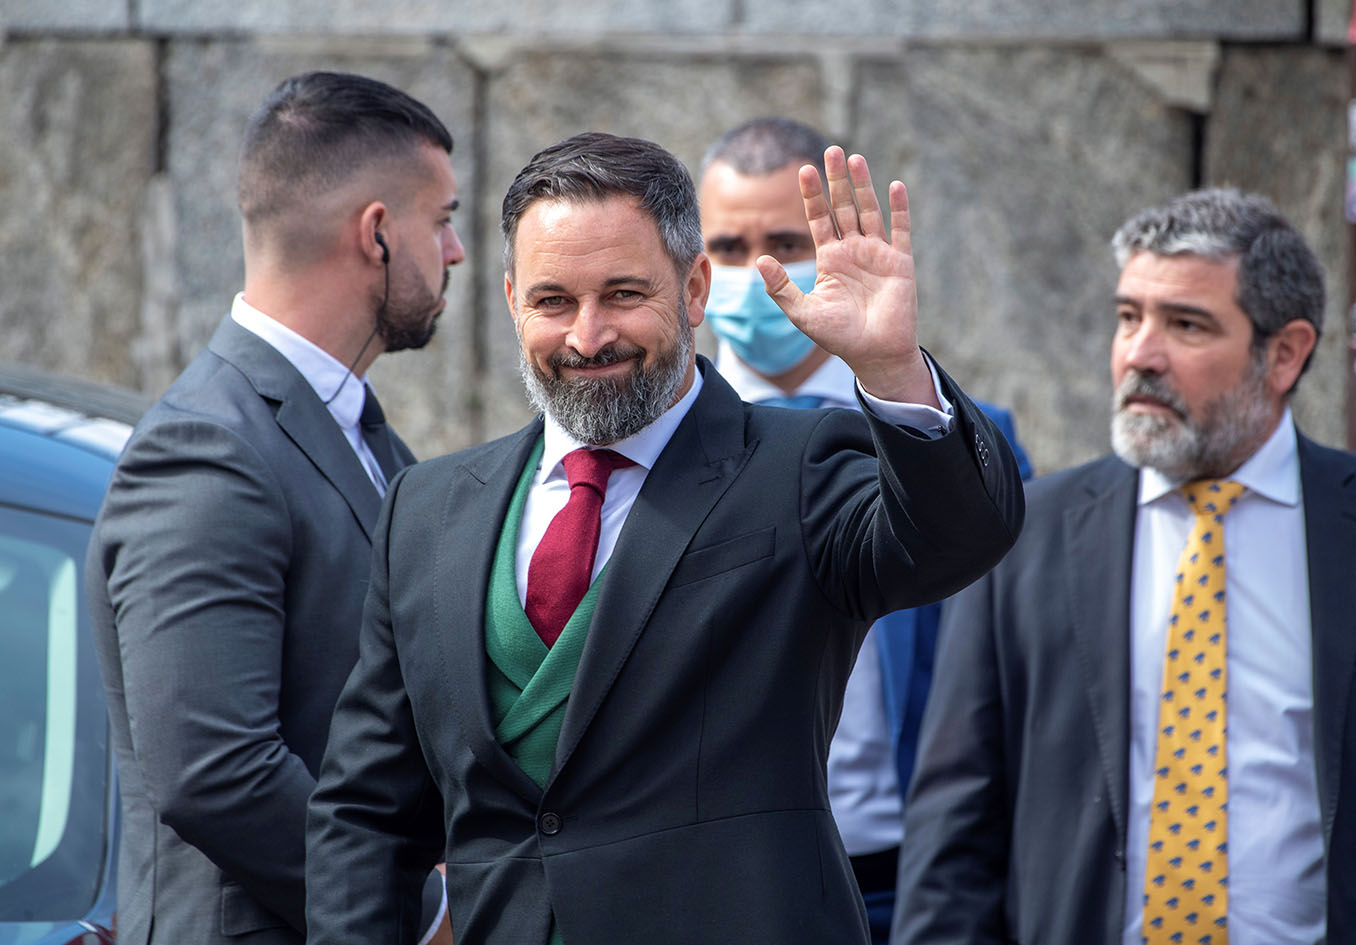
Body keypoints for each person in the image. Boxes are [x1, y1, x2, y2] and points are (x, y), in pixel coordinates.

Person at [304, 131, 1024, 945]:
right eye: (552, 301)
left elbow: (963, 535)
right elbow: (366, 811)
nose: (586, 336)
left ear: (693, 289)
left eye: (620, 294)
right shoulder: (426, 509)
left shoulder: (798, 466)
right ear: (510, 300)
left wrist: (892, 372)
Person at [892, 188, 1356, 945]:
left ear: (1285, 353)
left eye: (1186, 324)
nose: (1140, 353)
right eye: (1128, 316)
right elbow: (953, 835)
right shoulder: (1018, 533)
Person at [85, 71, 464, 945]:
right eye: (442, 220)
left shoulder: (358, 433)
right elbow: (216, 771)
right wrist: (422, 914)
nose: (454, 252)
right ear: (376, 232)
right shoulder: (207, 451)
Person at [696, 116, 1032, 943]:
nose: (756, 271)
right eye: (727, 248)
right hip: (730, 881)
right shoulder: (668, 445)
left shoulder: (949, 432)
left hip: (917, 874)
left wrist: (890, 369)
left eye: (783, 239)